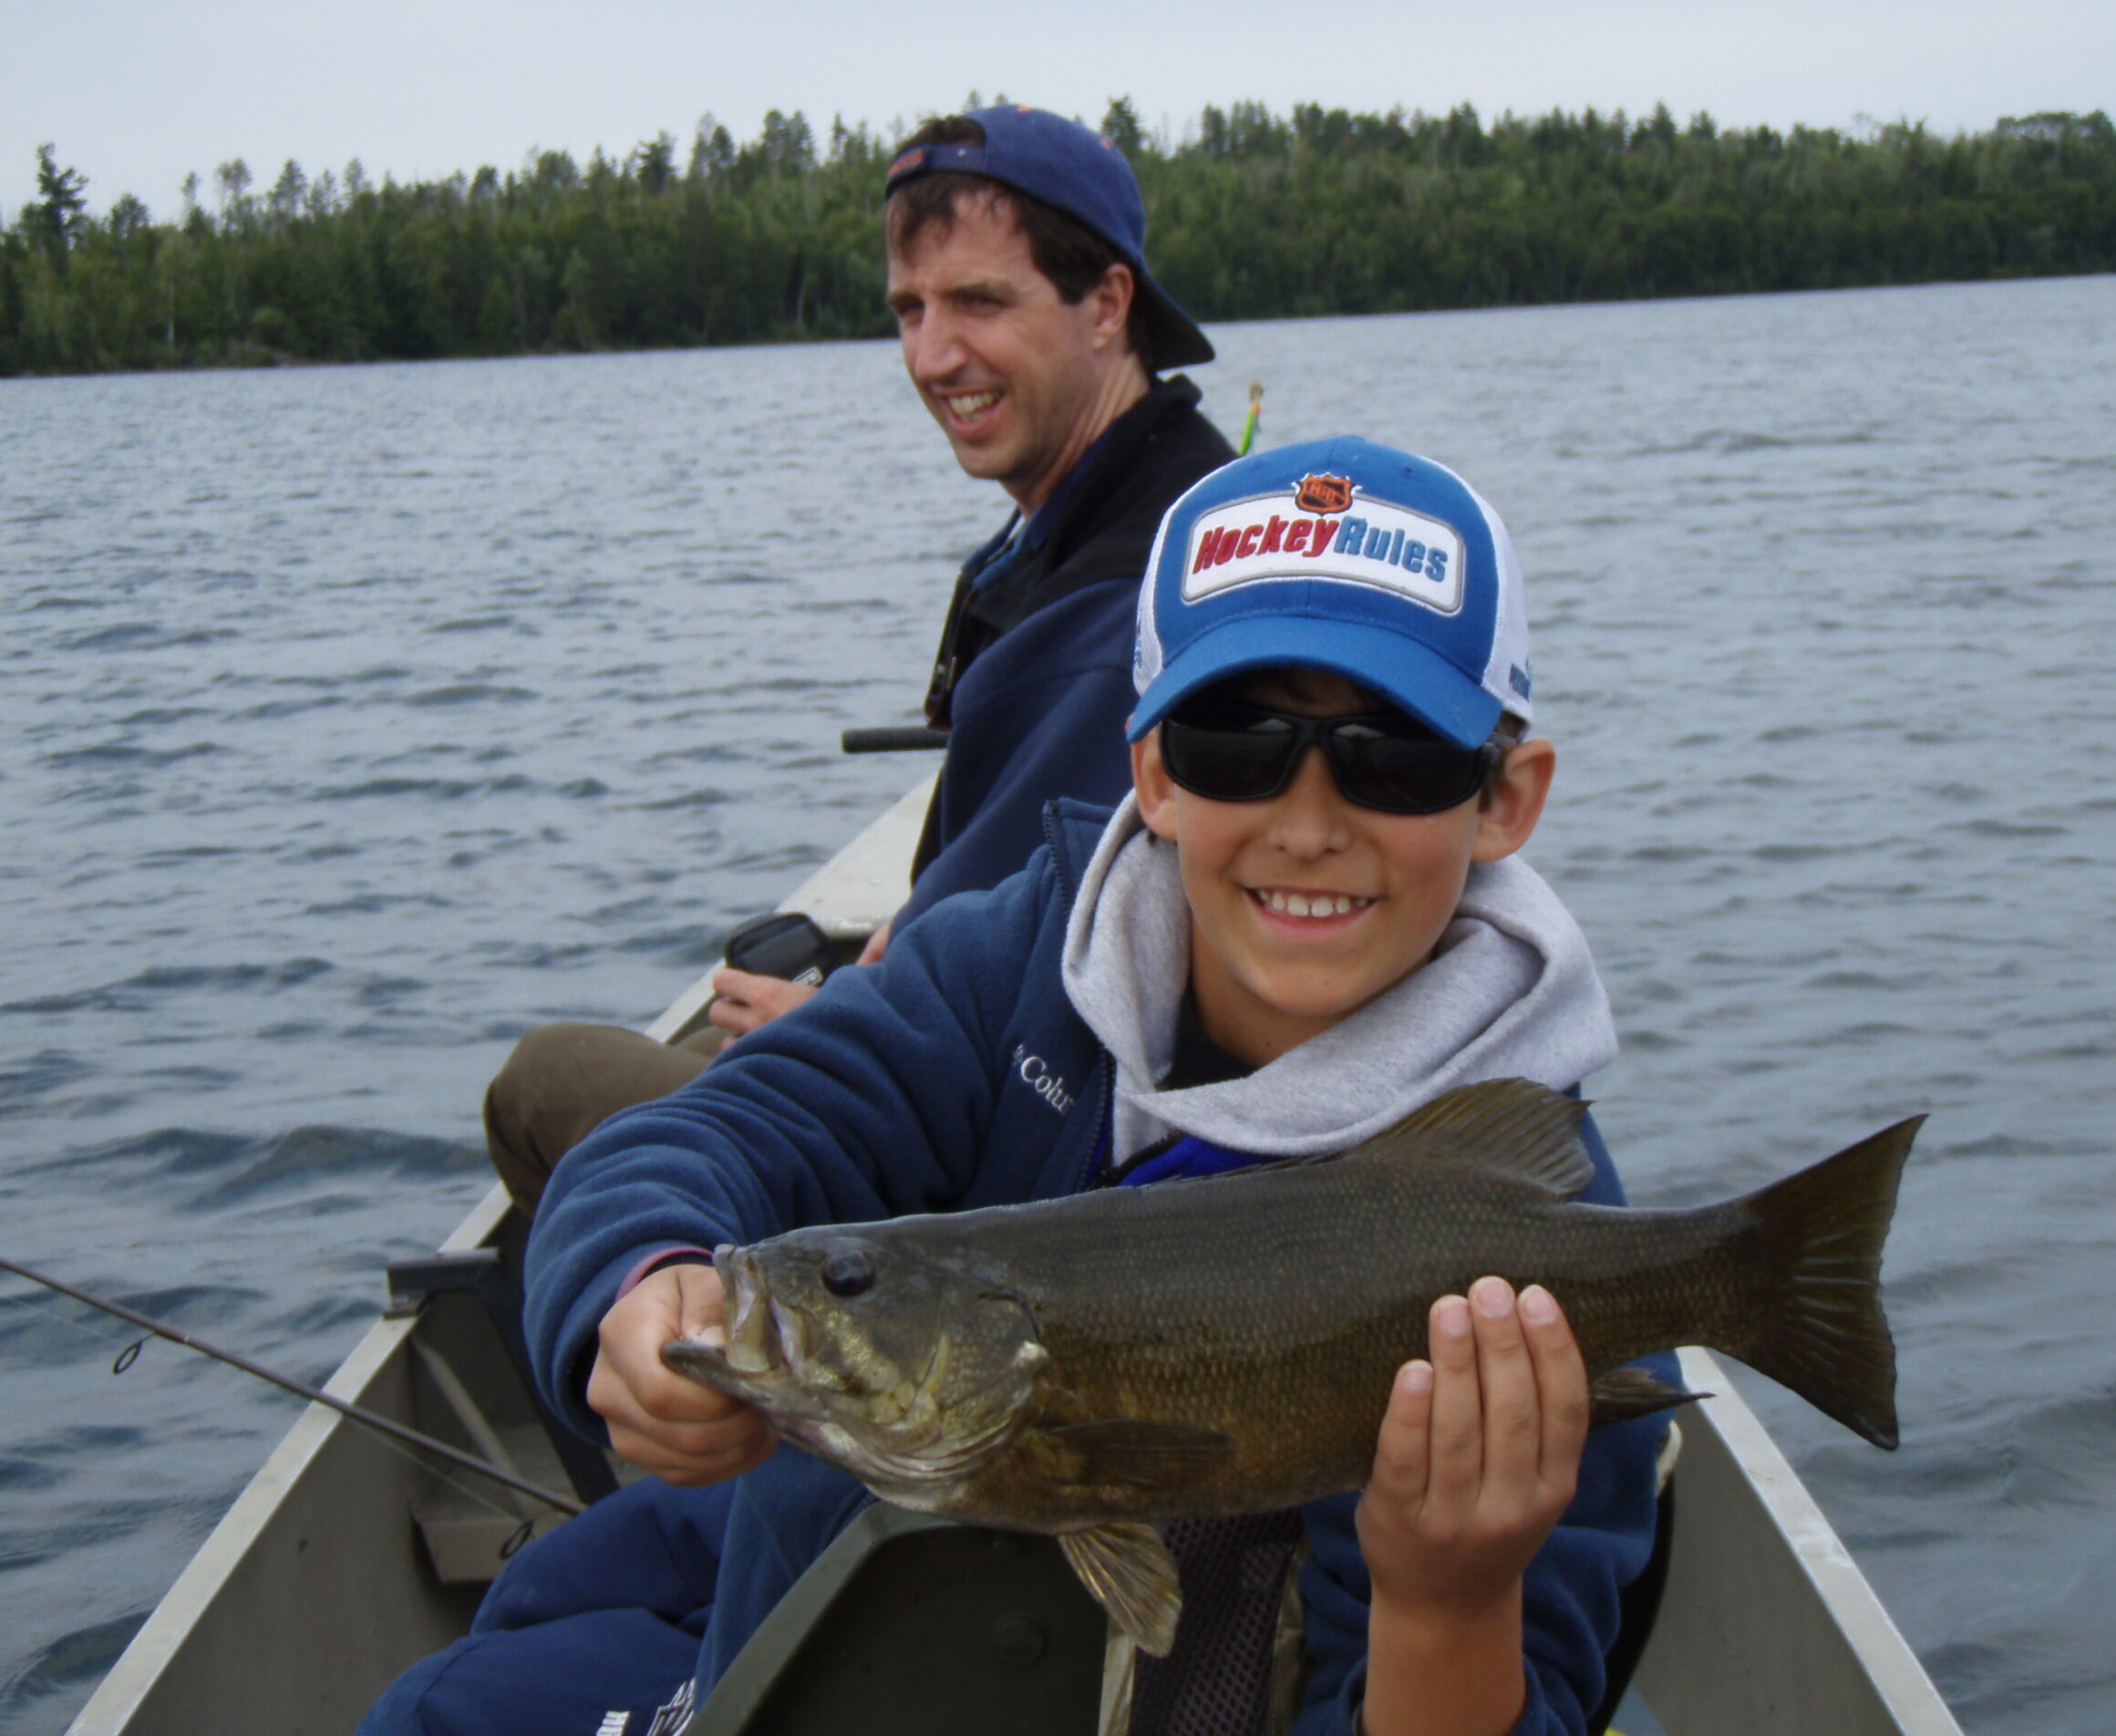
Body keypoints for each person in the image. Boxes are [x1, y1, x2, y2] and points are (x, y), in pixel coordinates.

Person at [514, 437, 1675, 1735]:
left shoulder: (1530, 1238)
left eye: (1394, 754)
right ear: (1154, 773)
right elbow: (713, 1132)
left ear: (1504, 799)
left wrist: (1449, 1604)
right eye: (1236, 739)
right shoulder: (1002, 975)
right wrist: (638, 1282)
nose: (1308, 818)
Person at [483, 104, 1234, 1215]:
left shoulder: (1107, 611)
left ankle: (686, 1371)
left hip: (1016, 1172)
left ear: (1107, 305)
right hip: (1041, 1081)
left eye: (980, 301)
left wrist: (841, 1023)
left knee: (545, 1085)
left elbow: (1025, 1016)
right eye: (909, 309)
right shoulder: (1165, 505)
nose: (933, 355)